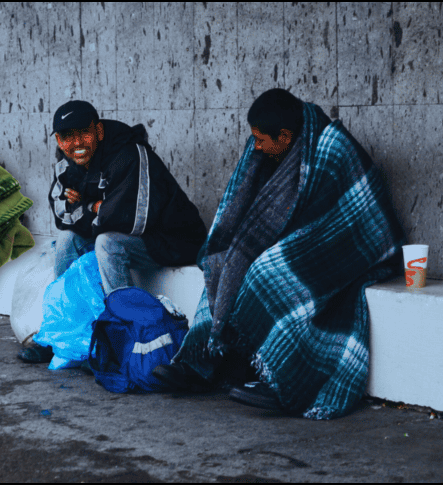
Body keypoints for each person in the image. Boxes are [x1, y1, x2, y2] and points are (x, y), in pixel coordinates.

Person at [153, 88, 406, 419]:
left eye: (261, 140)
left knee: (267, 272)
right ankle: (201, 362)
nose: (255, 146)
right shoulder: (265, 152)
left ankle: (283, 382)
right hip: (299, 241)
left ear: (285, 136)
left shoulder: (332, 148)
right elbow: (239, 208)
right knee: (222, 264)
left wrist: (283, 248)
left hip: (347, 248)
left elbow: (353, 219)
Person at [18, 100, 207, 364]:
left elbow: (132, 221)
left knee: (108, 243)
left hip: (172, 239)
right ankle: (62, 336)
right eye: (67, 137)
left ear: (99, 131)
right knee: (67, 240)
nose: (76, 143)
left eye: (83, 132)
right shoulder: (66, 162)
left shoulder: (129, 153)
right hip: (125, 236)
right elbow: (62, 215)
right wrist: (96, 208)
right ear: (59, 141)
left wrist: (88, 207)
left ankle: (123, 341)